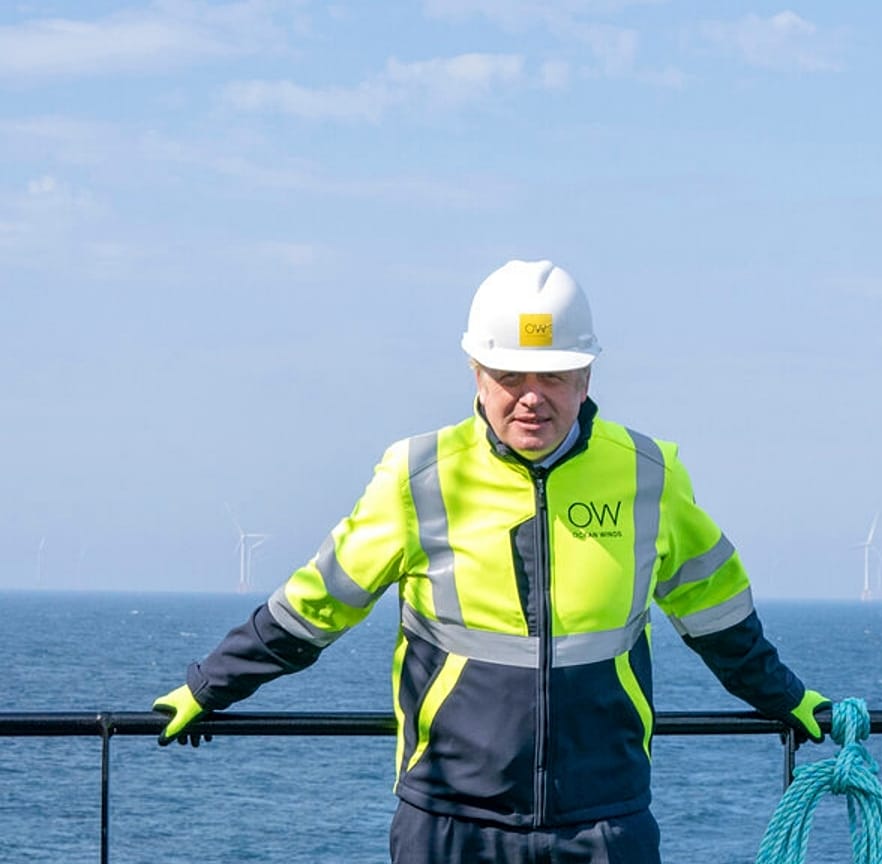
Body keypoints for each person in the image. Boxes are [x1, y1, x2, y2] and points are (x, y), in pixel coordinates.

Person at [153, 259, 829, 863]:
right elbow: (317, 605)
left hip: (605, 820)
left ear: (586, 374)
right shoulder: (418, 476)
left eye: (555, 375)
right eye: (509, 375)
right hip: (450, 822)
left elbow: (718, 612)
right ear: (476, 373)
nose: (531, 395)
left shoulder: (648, 474)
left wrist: (785, 696)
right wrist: (212, 685)